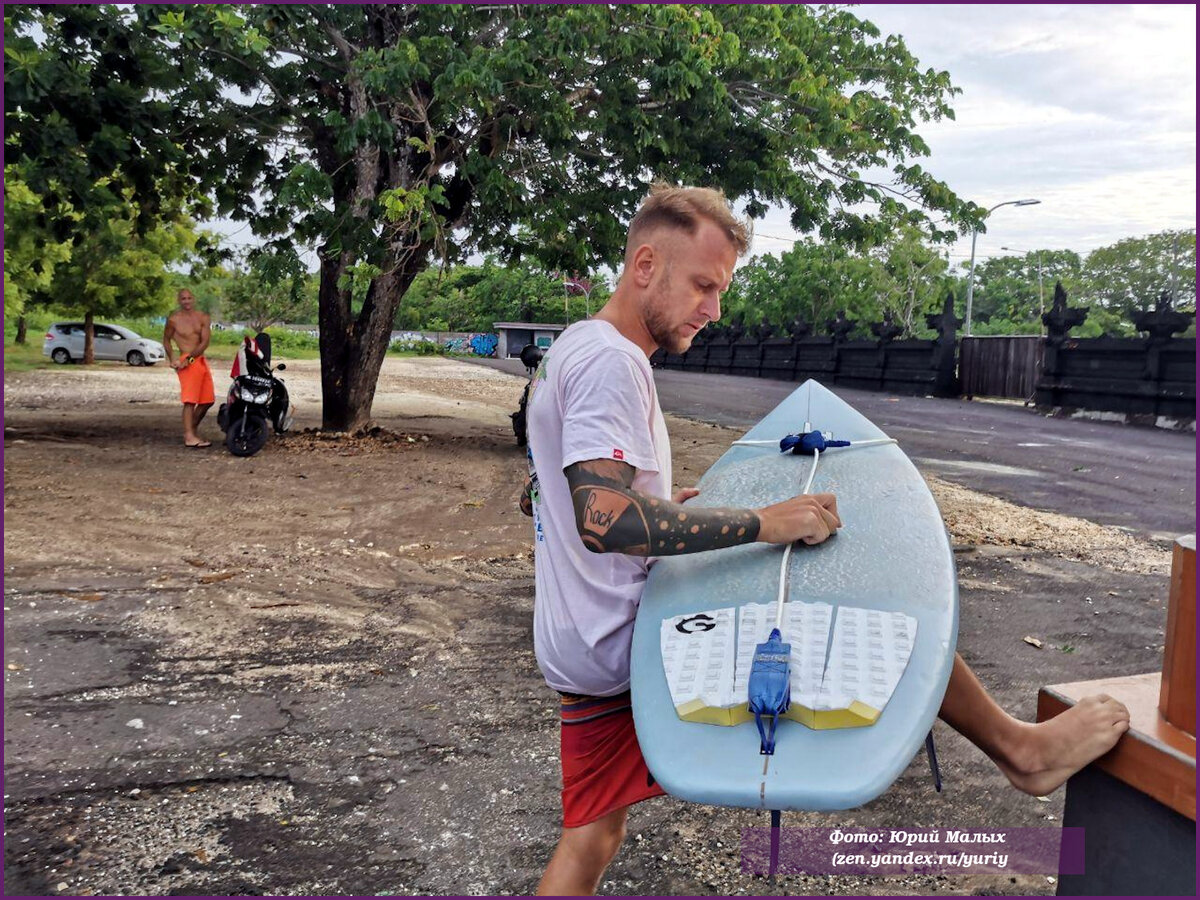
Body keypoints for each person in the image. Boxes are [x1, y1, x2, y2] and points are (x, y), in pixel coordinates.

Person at [521, 183, 1131, 896]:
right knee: (873, 606)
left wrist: (664, 503)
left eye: (720, 292)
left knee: (593, 831)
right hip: (634, 641)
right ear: (645, 265)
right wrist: (763, 522)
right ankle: (1019, 751)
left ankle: (1018, 748)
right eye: (703, 286)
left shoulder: (582, 346)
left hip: (580, 640)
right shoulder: (612, 362)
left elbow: (594, 499)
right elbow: (603, 520)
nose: (713, 311)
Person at [163, 288, 215, 448]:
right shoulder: (174, 320)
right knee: (190, 400)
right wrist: (173, 358)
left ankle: (191, 431)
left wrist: (192, 359)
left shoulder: (203, 318)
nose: (186, 301)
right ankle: (189, 436)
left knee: (208, 400)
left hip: (198, 359)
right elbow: (166, 340)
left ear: (194, 299)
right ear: (179, 301)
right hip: (185, 359)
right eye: (183, 299)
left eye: (189, 298)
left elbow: (204, 342)